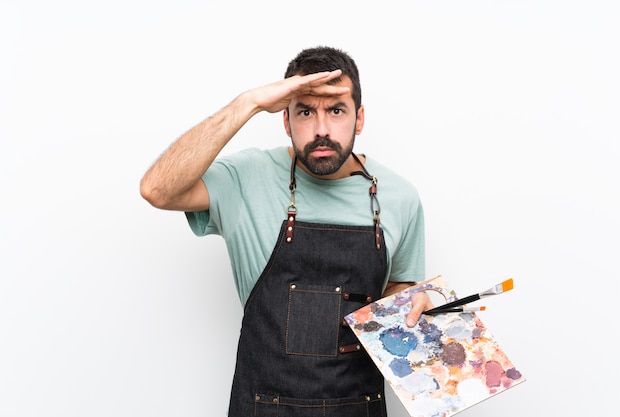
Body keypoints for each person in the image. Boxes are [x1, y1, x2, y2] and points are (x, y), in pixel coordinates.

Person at [140, 45, 434, 417]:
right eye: (305, 112)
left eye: (336, 110)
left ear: (359, 119)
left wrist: (414, 304)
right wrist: (246, 103)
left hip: (358, 407)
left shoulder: (399, 197)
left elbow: (400, 288)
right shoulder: (247, 179)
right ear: (285, 120)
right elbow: (157, 189)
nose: (322, 129)